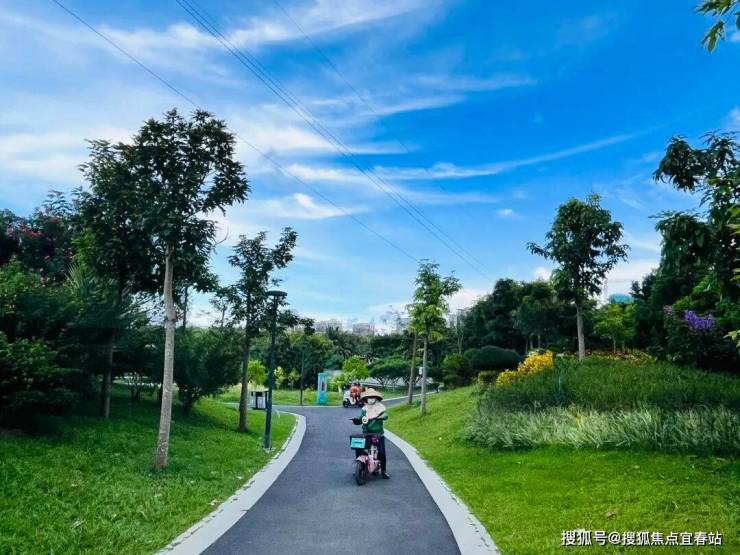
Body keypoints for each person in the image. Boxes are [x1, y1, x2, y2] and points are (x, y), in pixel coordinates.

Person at [358, 388, 389, 479]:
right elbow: (361, 418)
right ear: (366, 399)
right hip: (366, 433)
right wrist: (357, 420)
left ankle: (383, 471)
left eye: (372, 397)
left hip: (378, 433)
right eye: (369, 397)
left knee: (382, 453)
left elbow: (385, 415)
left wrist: (381, 417)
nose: (371, 399)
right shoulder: (364, 409)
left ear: (376, 398)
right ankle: (360, 466)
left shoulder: (380, 407)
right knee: (361, 450)